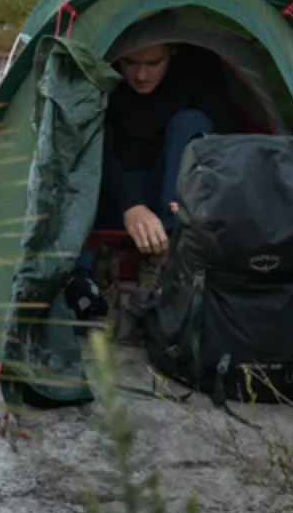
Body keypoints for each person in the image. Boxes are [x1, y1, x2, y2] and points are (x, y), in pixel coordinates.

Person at [64, 40, 236, 323]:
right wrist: (131, 204)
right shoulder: (99, 78)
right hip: (111, 195)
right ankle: (87, 277)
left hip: (171, 198)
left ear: (173, 52)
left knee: (192, 123)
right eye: (130, 63)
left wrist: (183, 208)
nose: (141, 75)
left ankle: (162, 260)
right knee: (79, 156)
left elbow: (224, 146)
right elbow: (95, 152)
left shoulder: (200, 68)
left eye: (153, 64)